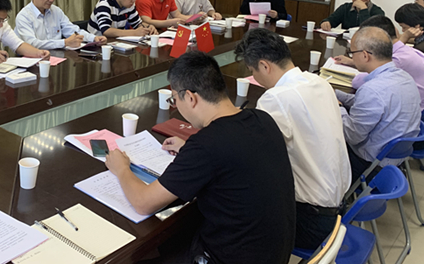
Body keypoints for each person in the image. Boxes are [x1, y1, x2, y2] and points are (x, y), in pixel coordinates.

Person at [105, 51, 295, 264]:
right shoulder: (261, 119)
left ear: (190, 97)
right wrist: (190, 149)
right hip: (274, 254)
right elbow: (234, 155)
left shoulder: (207, 145)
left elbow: (143, 203)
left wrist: (121, 168)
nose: (176, 106)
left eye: (174, 99)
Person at [235, 28, 350, 250]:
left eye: (252, 71)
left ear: (264, 66)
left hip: (312, 221)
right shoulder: (320, 82)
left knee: (233, 204)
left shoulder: (276, 98)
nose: (255, 78)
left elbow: (251, 155)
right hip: (339, 209)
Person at [335, 26, 421, 183]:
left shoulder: (372, 90)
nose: (351, 57)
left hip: (369, 164)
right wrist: (336, 94)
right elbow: (367, 104)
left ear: (365, 55)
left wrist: (338, 107)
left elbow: (352, 136)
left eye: (352, 53)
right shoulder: (404, 77)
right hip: (395, 158)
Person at [334, 15, 424, 111]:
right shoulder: (407, 51)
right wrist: (354, 62)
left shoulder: (398, 59)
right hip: (418, 111)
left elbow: (360, 82)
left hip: (418, 115)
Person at [15, 0, 107, 49]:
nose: (51, 0)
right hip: (35, 60)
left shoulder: (56, 11)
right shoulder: (24, 16)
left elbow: (72, 30)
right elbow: (32, 44)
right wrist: (65, 42)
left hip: (58, 57)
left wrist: (94, 38)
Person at [88, 0, 157, 37]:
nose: (134, 0)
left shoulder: (129, 5)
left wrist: (148, 27)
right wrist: (134, 33)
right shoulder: (104, 4)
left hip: (116, 43)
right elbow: (106, 31)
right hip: (96, 44)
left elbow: (137, 24)